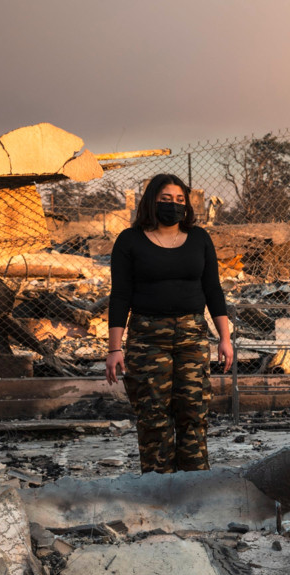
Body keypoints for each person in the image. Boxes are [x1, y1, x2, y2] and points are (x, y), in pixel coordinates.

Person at [106, 174, 233, 474]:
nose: (173, 206)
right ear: (151, 201)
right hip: (146, 339)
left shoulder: (200, 238)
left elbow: (213, 289)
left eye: (179, 200)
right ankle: (158, 489)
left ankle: (194, 487)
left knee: (193, 412)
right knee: (153, 416)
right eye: (165, 199)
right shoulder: (129, 240)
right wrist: (114, 349)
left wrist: (224, 338)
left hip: (192, 336)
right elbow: (120, 295)